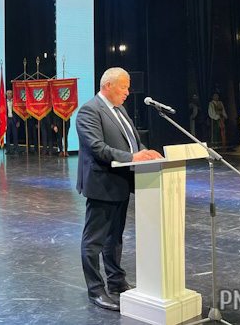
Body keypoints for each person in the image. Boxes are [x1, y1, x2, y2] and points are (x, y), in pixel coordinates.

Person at [76, 67, 163, 312]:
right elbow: (97, 148)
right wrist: (133, 156)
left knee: (114, 238)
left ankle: (116, 281)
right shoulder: (89, 111)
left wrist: (144, 152)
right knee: (94, 241)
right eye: (124, 87)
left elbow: (132, 141)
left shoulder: (120, 109)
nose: (127, 92)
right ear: (108, 86)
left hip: (121, 183)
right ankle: (96, 290)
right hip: (102, 184)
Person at [5, 89, 20, 154]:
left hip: (14, 120)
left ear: (12, 94)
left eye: (10, 93)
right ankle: (8, 150)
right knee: (7, 135)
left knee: (15, 135)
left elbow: (18, 112)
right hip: (7, 120)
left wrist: (18, 121)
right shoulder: (3, 102)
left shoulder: (15, 102)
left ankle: (16, 149)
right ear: (6, 94)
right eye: (8, 93)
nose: (9, 95)